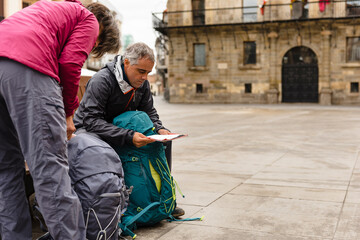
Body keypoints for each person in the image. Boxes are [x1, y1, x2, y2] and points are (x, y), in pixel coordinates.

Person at [0, 1, 120, 239]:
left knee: (5, 169)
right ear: (101, 31)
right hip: (27, 67)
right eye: (94, 45)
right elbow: (70, 64)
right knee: (49, 169)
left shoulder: (48, 8)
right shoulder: (89, 19)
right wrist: (68, 113)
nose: (91, 46)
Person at [73, 42, 185, 218]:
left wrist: (160, 129)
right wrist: (128, 136)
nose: (145, 77)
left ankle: (165, 199)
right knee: (109, 150)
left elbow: (149, 111)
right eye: (141, 71)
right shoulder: (103, 80)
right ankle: (119, 206)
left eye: (148, 72)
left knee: (163, 144)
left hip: (123, 130)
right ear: (126, 63)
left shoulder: (142, 84)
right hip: (91, 133)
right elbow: (91, 120)